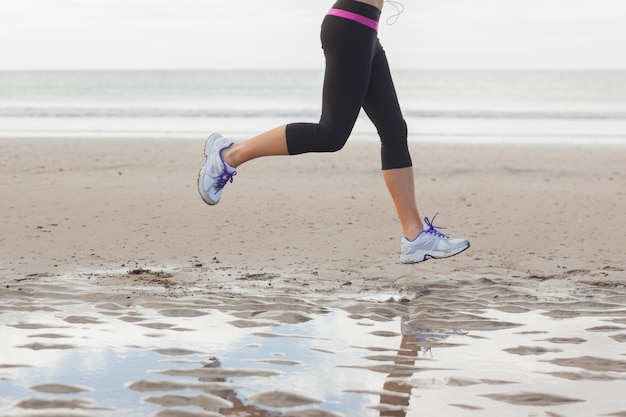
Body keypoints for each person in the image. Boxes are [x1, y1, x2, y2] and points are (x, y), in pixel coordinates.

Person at [198, 0, 469, 264]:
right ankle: (229, 155)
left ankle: (415, 236)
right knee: (331, 134)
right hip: (351, 27)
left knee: (394, 129)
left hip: (365, 30)